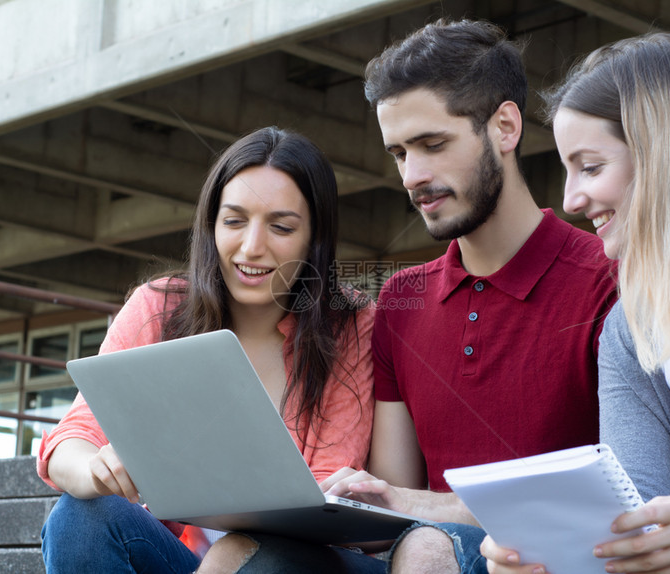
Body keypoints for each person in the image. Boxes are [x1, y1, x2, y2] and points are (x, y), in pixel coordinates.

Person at [318, 18, 619, 574]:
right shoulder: (401, 303)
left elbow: (623, 503)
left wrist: (422, 508)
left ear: (505, 127)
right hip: (428, 555)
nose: (413, 175)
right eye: (399, 153)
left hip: (562, 561)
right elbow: (396, 504)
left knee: (427, 547)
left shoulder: (609, 281)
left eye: (433, 144)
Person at [482, 32, 670, 574]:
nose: (571, 200)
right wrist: (547, 549)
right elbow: (632, 509)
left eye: (590, 167)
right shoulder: (631, 326)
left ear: (666, 152)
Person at [37, 126, 377, 573]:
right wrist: (93, 471)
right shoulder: (158, 306)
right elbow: (73, 435)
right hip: (179, 557)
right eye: (234, 220)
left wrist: (231, 552)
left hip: (292, 560)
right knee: (81, 517)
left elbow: (324, 492)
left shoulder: (350, 324)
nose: (251, 247)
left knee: (268, 560)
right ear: (211, 225)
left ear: (315, 239)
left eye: (280, 226)